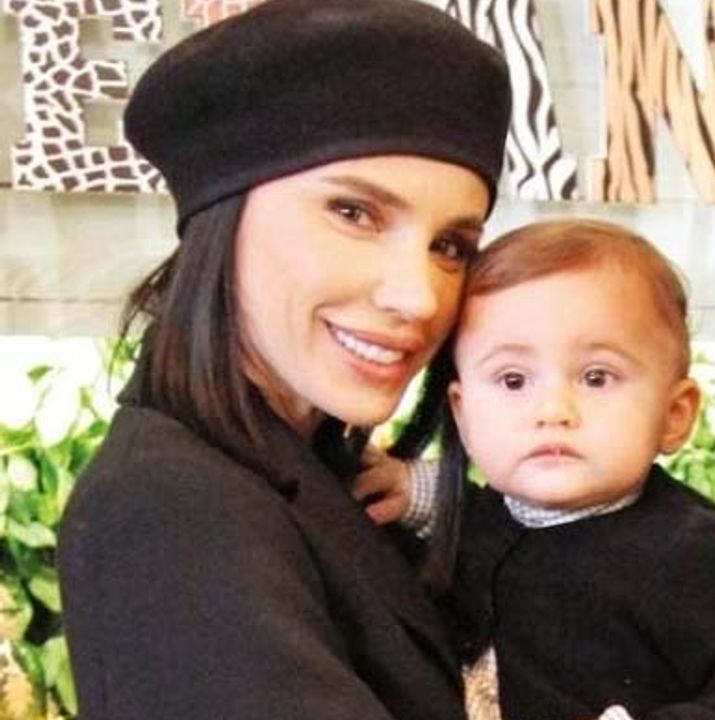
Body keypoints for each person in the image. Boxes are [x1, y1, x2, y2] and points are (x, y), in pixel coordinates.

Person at [55, 1, 511, 718]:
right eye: (354, 213)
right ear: (222, 219)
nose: (418, 296)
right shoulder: (173, 506)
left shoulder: (310, 467)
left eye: (450, 246)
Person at [356, 219, 715, 720]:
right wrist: (411, 488)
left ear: (674, 414)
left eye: (597, 377)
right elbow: (478, 518)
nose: (553, 409)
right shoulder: (486, 526)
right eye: (513, 381)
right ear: (463, 416)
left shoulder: (701, 557)